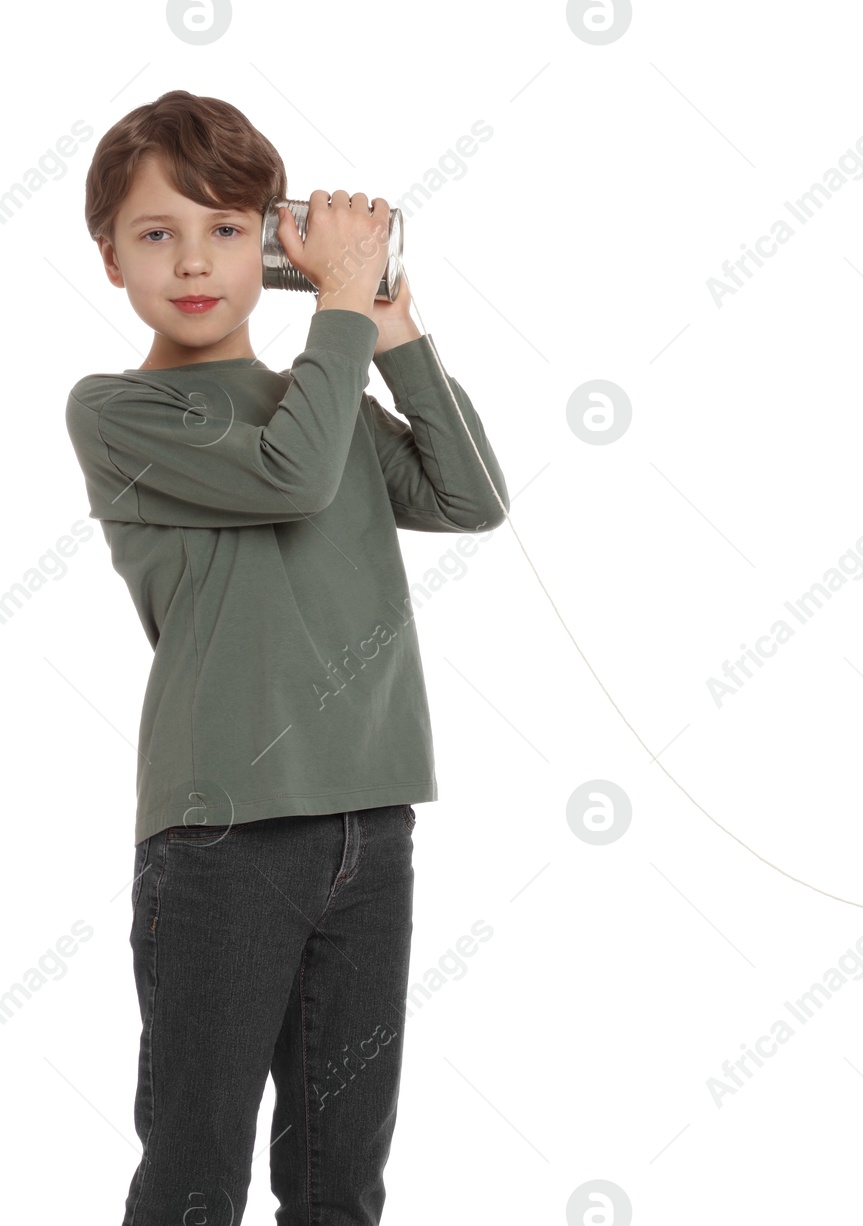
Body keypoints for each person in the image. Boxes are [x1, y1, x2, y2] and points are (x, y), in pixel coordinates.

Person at [64, 90, 508, 1225]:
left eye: (227, 228)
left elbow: (471, 497)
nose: (194, 260)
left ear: (275, 245)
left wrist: (390, 323)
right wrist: (342, 324)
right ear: (110, 258)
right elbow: (288, 477)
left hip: (372, 819)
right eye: (157, 233)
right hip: (224, 834)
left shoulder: (326, 395)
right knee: (196, 1171)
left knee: (339, 1178)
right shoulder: (122, 411)